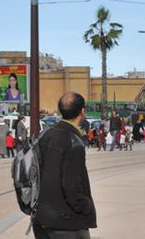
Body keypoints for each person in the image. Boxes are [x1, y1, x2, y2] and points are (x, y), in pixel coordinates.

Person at [33, 92, 96, 238]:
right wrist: (85, 207)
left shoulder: (46, 135)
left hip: (41, 217)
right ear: (82, 111)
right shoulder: (74, 142)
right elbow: (72, 184)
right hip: (66, 222)